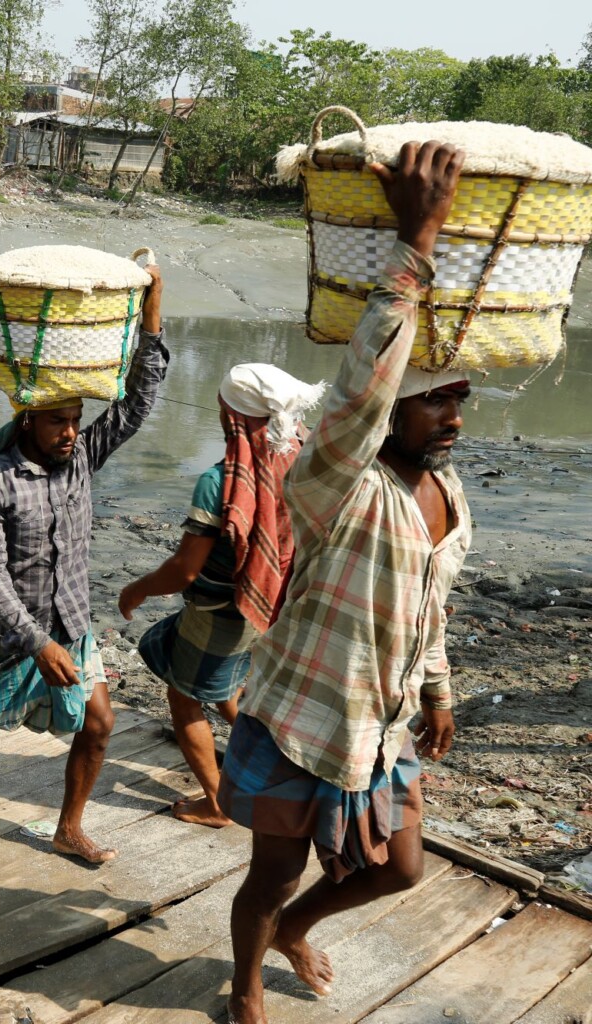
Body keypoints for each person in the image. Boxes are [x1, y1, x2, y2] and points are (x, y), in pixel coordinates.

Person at [221, 141, 472, 1024]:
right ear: (390, 409)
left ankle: (293, 929)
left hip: (386, 721)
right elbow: (359, 386)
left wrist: (437, 689)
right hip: (305, 717)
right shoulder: (335, 475)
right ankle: (247, 978)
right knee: (271, 870)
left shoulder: (444, 495)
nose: (450, 415)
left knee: (398, 866)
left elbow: (428, 606)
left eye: (459, 399)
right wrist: (418, 243)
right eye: (433, 398)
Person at [0, 266, 167, 865]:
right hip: (4, 631)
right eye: (57, 421)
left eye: (75, 419)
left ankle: (69, 826)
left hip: (70, 621)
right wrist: (34, 641)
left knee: (99, 723)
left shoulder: (80, 458)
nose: (71, 431)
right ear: (28, 421)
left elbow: (137, 404)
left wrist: (151, 314)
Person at [118, 364, 324, 829]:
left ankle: (217, 803)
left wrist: (137, 589)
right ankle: (276, 763)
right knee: (226, 681)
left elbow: (184, 569)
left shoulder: (221, 483)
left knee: (184, 697)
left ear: (232, 418)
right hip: (276, 602)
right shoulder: (301, 455)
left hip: (223, 611)